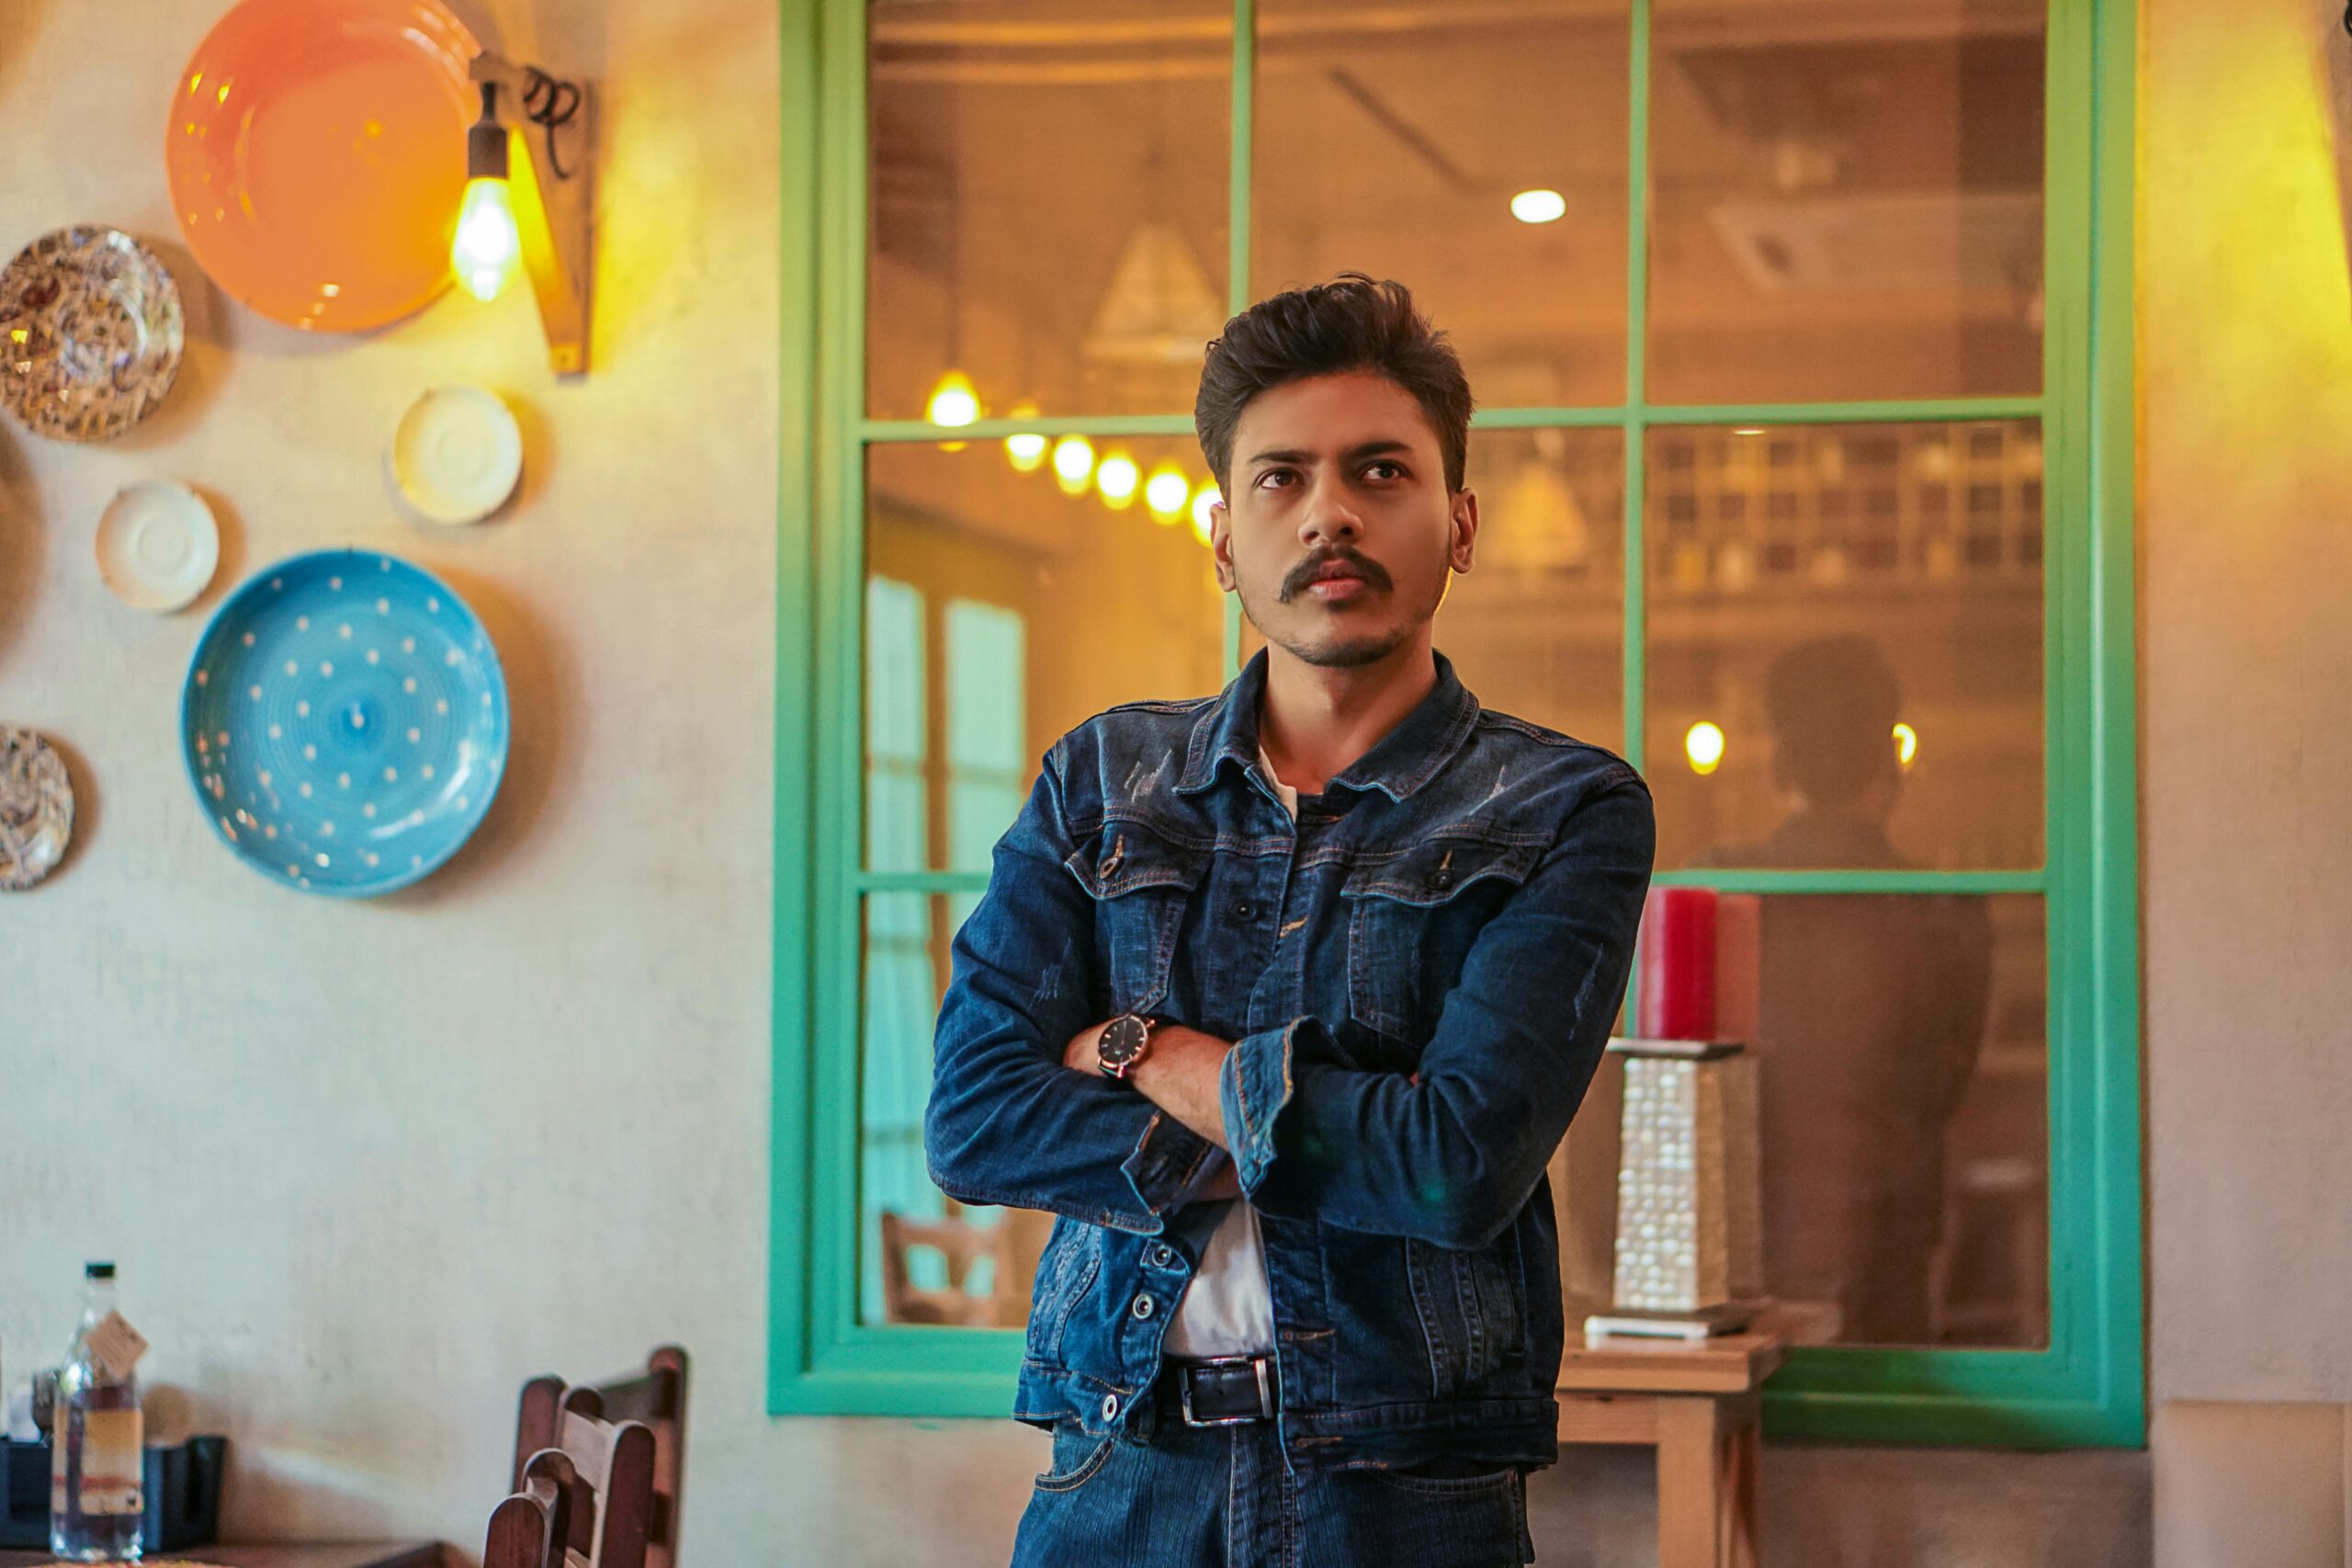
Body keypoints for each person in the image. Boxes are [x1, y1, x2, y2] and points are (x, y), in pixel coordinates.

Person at [925, 275, 1655, 1567]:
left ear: (1460, 522)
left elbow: (1457, 1162)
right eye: (1281, 478)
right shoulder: (1097, 781)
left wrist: (1147, 1050)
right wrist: (1320, 1135)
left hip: (1405, 1500)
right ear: (1222, 538)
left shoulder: (1566, 807)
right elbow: (975, 1115)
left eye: (1381, 471)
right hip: (1120, 1473)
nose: (1330, 512)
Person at [1690, 637, 1995, 1343]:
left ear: (1776, 768)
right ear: (1890, 767)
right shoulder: (1945, 911)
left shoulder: (1714, 887)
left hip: (1745, 1241)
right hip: (1890, 1239)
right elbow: (1944, 1090)